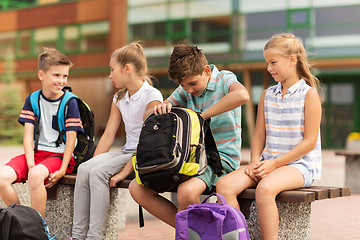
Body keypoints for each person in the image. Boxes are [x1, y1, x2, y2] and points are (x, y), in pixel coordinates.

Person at [129, 43, 250, 227]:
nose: (189, 90)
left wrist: (202, 117)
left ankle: (194, 232)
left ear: (207, 71)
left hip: (220, 161)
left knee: (186, 192)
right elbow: (146, 116)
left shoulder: (224, 79)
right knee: (136, 189)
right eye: (183, 85)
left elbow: (242, 95)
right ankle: (196, 232)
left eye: (193, 83)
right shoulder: (185, 90)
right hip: (189, 160)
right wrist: (160, 109)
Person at [216, 33, 322, 240]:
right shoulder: (266, 95)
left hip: (299, 166)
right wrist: (255, 162)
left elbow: (309, 142)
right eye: (267, 63)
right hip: (266, 163)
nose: (268, 68)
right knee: (224, 185)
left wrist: (274, 165)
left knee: (264, 189)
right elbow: (258, 136)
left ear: (292, 60)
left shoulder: (309, 95)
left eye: (273, 62)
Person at [70, 42, 163, 240]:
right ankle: (77, 236)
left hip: (142, 155)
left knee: (98, 173)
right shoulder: (119, 97)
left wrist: (125, 172)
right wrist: (91, 162)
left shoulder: (152, 96)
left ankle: (94, 237)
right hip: (125, 151)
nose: (110, 75)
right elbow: (109, 135)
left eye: (112, 70)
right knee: (86, 169)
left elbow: (149, 142)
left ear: (127, 68)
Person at [0, 48, 82, 217]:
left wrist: (62, 169)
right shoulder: (32, 99)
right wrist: (30, 163)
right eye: (56, 75)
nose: (61, 80)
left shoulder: (70, 102)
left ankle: (39, 229)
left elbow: (71, 140)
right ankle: (23, 222)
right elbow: (28, 136)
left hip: (59, 157)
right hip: (37, 155)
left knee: (36, 175)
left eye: (65, 76)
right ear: (41, 75)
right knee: (1, 177)